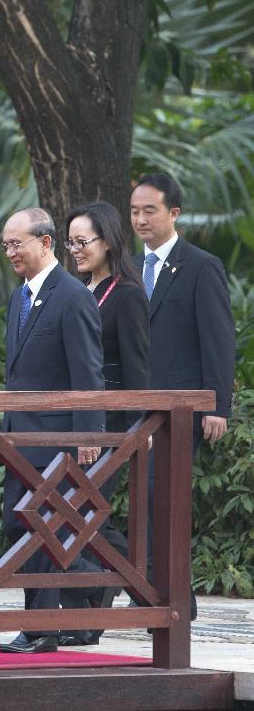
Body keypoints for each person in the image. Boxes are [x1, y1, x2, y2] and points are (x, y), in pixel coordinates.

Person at [0, 207, 105, 655]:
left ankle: (41, 628)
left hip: (55, 439)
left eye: (16, 243)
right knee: (19, 529)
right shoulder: (19, 296)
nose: (10, 253)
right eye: (5, 245)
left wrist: (89, 435)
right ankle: (93, 588)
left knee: (41, 533)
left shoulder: (72, 295)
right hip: (19, 438)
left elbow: (88, 371)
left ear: (44, 242)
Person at [130, 172, 235, 621]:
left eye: (149, 210)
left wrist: (217, 404)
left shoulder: (200, 264)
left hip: (182, 409)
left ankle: (176, 600)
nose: (140, 219)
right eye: (134, 211)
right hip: (134, 408)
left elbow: (218, 339)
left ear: (174, 212)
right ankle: (147, 593)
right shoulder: (129, 268)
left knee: (163, 497)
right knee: (139, 499)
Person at [57, 201, 149, 646]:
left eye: (82, 241)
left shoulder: (127, 294)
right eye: (69, 241)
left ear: (107, 242)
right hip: (73, 423)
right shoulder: (78, 290)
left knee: (80, 515)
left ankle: (139, 584)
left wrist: (137, 429)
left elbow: (136, 368)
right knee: (75, 516)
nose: (74, 249)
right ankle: (96, 607)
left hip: (111, 426)